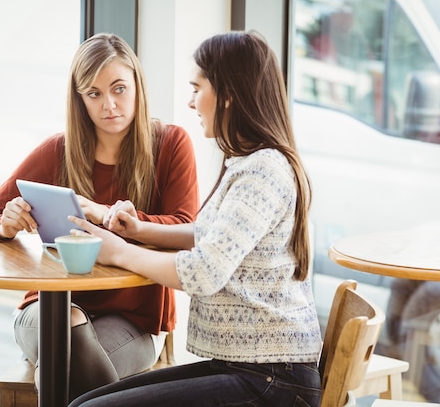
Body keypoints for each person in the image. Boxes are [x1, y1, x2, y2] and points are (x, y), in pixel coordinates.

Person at [67, 30, 323, 407]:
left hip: (273, 383)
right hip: (252, 370)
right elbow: (210, 236)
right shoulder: (249, 164)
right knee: (80, 404)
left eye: (196, 88)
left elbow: (203, 271)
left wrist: (118, 251)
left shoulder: (263, 171)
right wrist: (141, 229)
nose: (190, 102)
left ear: (228, 94)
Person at [0, 33, 200, 400]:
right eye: (94, 94)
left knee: (57, 369)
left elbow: (187, 228)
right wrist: (3, 224)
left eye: (119, 89)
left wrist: (112, 215)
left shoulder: (170, 145)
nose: (109, 104)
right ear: (80, 100)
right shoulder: (57, 151)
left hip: (133, 320)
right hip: (46, 309)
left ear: (137, 84)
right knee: (68, 326)